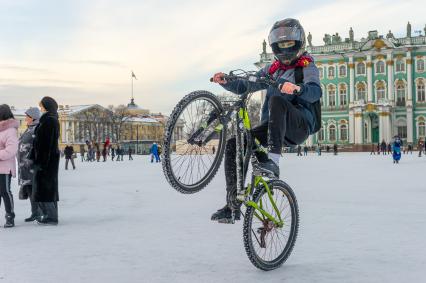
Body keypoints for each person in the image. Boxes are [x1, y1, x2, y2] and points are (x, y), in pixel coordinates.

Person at [210, 18, 322, 222]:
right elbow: (246, 84)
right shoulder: (273, 69)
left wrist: (298, 88)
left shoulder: (307, 66)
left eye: (289, 44)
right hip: (273, 128)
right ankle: (232, 204)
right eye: (281, 45)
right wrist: (227, 82)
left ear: (298, 43)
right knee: (235, 143)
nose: (285, 48)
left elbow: (315, 91)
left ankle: (273, 161)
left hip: (298, 125)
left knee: (278, 100)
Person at [31, 97, 60, 225]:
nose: (40, 108)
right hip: (48, 159)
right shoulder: (49, 119)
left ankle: (51, 217)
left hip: (46, 161)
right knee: (47, 188)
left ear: (47, 106)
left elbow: (46, 144)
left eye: (41, 106)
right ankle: (49, 215)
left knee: (46, 188)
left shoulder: (49, 121)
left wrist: (41, 162)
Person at [17, 107, 42, 222]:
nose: (25, 118)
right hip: (24, 166)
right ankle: (34, 212)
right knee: (29, 189)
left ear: (33, 118)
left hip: (31, 166)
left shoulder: (37, 130)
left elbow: (38, 148)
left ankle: (38, 213)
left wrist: (32, 161)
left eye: (27, 116)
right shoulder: (29, 129)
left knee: (33, 190)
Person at [0, 104, 19, 228]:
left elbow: (11, 150)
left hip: (5, 168)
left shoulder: (10, 130)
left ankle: (10, 216)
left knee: (5, 192)